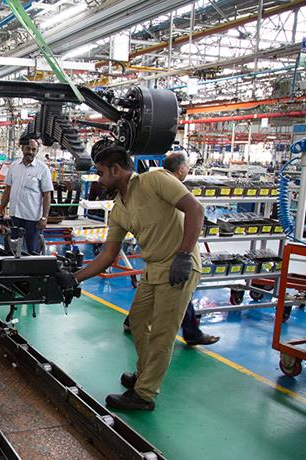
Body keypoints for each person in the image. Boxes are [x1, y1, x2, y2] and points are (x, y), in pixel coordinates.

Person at [68, 147, 205, 411]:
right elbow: (108, 255)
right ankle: (144, 374)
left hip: (179, 266)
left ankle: (144, 395)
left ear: (116, 169)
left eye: (100, 173)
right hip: (153, 269)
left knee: (163, 334)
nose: (98, 179)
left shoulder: (156, 180)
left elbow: (195, 210)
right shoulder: (119, 208)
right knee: (138, 323)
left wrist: (185, 254)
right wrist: (75, 278)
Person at [121, 152, 220, 346]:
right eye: (187, 168)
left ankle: (134, 322)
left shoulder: (153, 184)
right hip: (173, 254)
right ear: (181, 169)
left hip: (160, 254)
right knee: (177, 292)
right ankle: (189, 333)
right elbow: (196, 210)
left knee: (168, 293)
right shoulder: (168, 186)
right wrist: (184, 255)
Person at [0, 135, 53, 254]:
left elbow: (47, 195)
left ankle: (34, 272)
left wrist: (44, 217)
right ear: (22, 148)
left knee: (32, 249)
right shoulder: (14, 166)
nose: (30, 152)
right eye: (28, 148)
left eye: (34, 150)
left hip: (32, 218)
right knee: (12, 248)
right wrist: (2, 207)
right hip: (15, 216)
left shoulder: (43, 169)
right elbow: (8, 189)